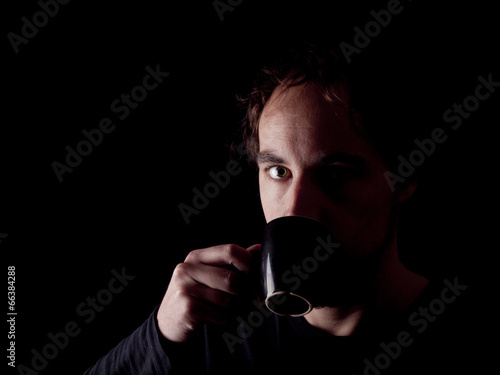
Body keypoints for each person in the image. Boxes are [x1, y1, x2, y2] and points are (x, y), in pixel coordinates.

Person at [83, 40, 475, 375]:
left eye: (336, 174)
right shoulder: (209, 324)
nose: (295, 206)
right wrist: (160, 334)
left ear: (405, 179)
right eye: (278, 170)